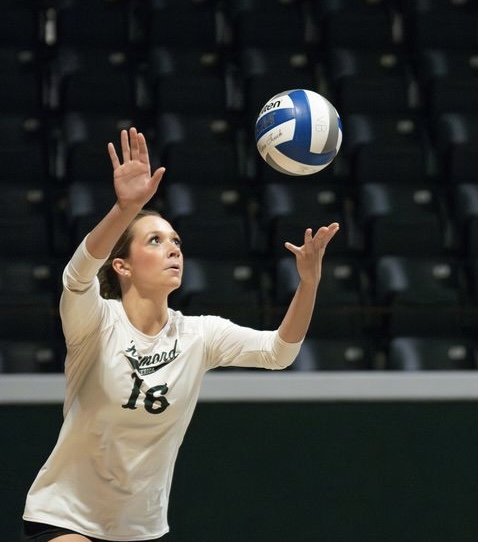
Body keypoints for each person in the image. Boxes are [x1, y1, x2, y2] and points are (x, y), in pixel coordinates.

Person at [20, 127, 339, 542]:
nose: (174, 249)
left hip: (140, 530)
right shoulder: (96, 321)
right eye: (155, 240)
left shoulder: (198, 335)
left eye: (176, 241)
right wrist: (125, 209)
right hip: (64, 516)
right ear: (123, 266)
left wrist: (309, 283)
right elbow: (76, 277)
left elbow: (278, 352)